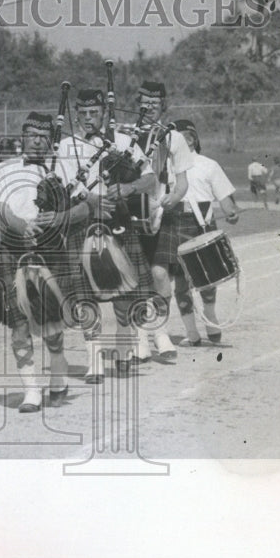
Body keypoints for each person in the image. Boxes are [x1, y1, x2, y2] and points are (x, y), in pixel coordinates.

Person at [0, 112, 88, 412]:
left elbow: (86, 208)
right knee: (18, 325)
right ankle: (31, 391)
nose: (37, 141)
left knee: (51, 325)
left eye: (44, 136)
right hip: (14, 249)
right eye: (32, 135)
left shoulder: (65, 170)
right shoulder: (5, 170)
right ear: (22, 137)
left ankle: (58, 375)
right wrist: (20, 226)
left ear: (50, 140)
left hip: (51, 250)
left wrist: (60, 217)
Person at [56, 88, 157, 382]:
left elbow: (149, 178)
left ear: (104, 113)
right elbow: (61, 188)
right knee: (85, 298)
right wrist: (89, 201)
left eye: (94, 113)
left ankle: (124, 351)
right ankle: (94, 361)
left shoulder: (123, 141)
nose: (89, 118)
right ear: (77, 115)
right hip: (83, 223)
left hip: (119, 222)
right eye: (83, 114)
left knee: (123, 294)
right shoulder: (65, 147)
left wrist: (127, 188)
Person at [130, 81, 192, 358]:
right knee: (135, 278)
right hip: (132, 212)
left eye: (155, 103)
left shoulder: (173, 138)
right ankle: (141, 337)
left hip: (163, 211)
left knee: (159, 273)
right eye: (145, 103)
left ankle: (161, 331)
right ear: (137, 103)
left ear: (163, 105)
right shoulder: (125, 135)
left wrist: (173, 199)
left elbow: (182, 182)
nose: (150, 107)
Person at [171, 120, 239, 346]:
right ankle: (192, 334)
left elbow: (226, 200)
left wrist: (231, 212)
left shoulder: (209, 165)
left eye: (176, 139)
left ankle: (210, 318)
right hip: (176, 223)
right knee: (181, 283)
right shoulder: (165, 167)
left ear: (190, 140)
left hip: (204, 223)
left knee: (208, 279)